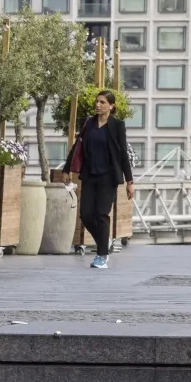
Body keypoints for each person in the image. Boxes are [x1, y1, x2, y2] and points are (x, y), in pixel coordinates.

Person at [64, 90, 133, 269]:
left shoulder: (117, 126)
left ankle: (102, 255)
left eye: (102, 102)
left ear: (111, 106)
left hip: (108, 177)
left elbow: (123, 154)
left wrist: (129, 182)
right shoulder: (88, 123)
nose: (98, 105)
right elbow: (77, 147)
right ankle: (104, 242)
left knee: (102, 215)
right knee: (86, 215)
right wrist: (66, 169)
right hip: (89, 175)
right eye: (97, 102)